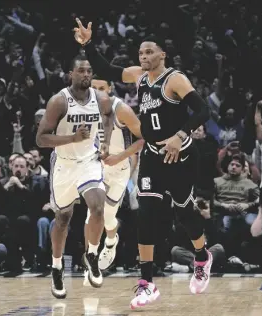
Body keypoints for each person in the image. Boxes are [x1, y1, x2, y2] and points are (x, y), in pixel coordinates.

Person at [74, 18, 211, 308]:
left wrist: (180, 134)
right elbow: (107, 69)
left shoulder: (175, 79)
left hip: (180, 153)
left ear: (163, 55)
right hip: (152, 153)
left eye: (149, 52)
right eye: (141, 53)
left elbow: (203, 109)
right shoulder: (139, 76)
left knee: (184, 212)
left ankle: (202, 256)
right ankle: (146, 283)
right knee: (146, 214)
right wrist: (88, 44)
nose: (144, 57)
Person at [36, 55, 114, 299]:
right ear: (70, 74)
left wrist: (106, 144)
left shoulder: (100, 98)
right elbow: (41, 139)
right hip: (64, 164)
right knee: (63, 218)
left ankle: (91, 254)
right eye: (81, 71)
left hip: (88, 162)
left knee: (98, 207)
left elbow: (110, 115)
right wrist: (72, 138)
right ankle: (56, 267)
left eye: (89, 70)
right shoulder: (59, 101)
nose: (86, 74)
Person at [83, 77, 144, 277]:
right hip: (96, 167)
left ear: (109, 88)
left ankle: (110, 242)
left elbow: (145, 138)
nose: (98, 92)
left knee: (108, 216)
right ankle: (90, 258)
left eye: (102, 88)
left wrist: (120, 157)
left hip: (118, 169)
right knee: (92, 214)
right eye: (94, 88)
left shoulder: (122, 109)